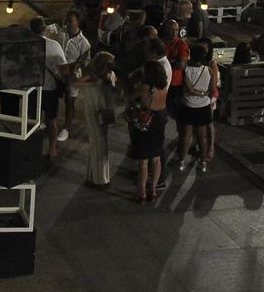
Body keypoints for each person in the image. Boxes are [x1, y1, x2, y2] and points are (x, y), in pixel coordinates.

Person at [127, 62, 168, 203]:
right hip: (159, 121)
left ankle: (142, 192)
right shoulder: (163, 87)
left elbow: (129, 96)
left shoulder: (144, 88)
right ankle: (153, 190)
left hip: (146, 122)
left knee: (143, 161)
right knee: (156, 159)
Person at [75, 53, 117, 189]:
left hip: (100, 112)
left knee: (97, 144)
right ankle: (101, 179)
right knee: (99, 145)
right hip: (96, 113)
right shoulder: (93, 76)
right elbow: (74, 83)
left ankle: (92, 176)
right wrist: (94, 82)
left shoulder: (109, 76)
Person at [175, 40, 218, 172]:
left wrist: (196, 92)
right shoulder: (209, 71)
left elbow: (188, 89)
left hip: (187, 105)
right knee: (202, 136)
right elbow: (212, 91)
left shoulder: (185, 70)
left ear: (191, 56)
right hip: (203, 107)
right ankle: (203, 163)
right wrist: (204, 93)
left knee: (186, 135)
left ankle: (181, 162)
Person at [31, 17, 70, 158]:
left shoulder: (26, 45)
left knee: (31, 121)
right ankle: (52, 148)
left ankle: (31, 148)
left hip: (31, 89)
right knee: (51, 120)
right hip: (49, 89)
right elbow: (64, 70)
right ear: (44, 29)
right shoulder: (54, 45)